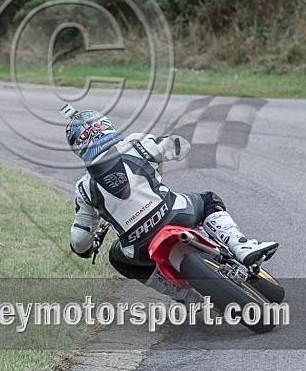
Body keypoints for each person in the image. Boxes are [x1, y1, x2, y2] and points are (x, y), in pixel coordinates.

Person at [63, 107, 278, 298]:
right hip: (176, 213)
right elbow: (180, 147)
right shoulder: (135, 144)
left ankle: (181, 295)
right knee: (208, 199)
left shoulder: (84, 188)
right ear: (105, 125)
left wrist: (86, 249)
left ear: (78, 148)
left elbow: (80, 240)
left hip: (138, 248)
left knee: (117, 259)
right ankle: (240, 246)